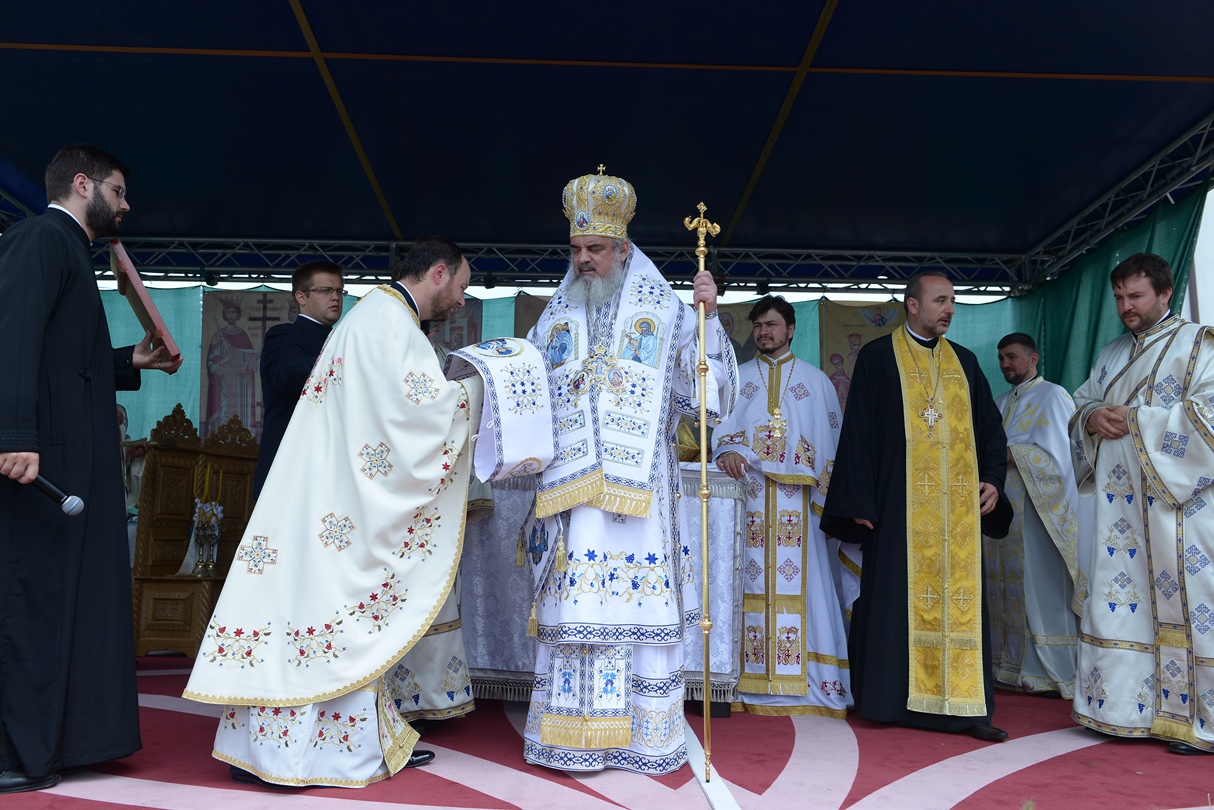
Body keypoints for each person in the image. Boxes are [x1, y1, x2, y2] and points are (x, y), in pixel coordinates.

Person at [185, 237, 501, 787]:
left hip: (328, 493)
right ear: (438, 272)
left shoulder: (377, 314)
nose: (461, 298)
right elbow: (421, 416)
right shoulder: (389, 322)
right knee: (333, 619)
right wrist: (482, 388)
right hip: (337, 505)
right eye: (462, 286)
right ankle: (297, 755)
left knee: (308, 615)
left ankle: (284, 748)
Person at [521, 168, 737, 774]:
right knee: (577, 614)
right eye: (576, 249)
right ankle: (571, 737)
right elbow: (529, 388)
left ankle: (643, 738)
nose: (583, 260)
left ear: (622, 248)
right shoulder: (554, 318)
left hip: (640, 499)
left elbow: (706, 400)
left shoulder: (664, 312)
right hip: (571, 498)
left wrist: (708, 318)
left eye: (594, 248)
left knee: (634, 611)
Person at [0, 144, 181, 794]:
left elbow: (66, 362)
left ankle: (67, 740)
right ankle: (17, 750)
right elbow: (12, 338)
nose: (126, 205)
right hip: (41, 457)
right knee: (35, 596)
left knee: (74, 594)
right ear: (83, 184)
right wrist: (15, 434)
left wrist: (130, 360)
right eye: (118, 190)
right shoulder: (40, 238)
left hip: (74, 452)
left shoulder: (71, 249)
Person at [820, 270, 1013, 742]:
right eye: (940, 300)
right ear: (912, 304)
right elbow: (858, 432)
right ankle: (891, 703)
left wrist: (992, 479)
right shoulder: (878, 357)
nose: (950, 309)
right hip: (897, 511)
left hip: (958, 519)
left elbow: (990, 429)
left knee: (960, 606)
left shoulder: (965, 362)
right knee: (895, 602)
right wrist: (859, 500)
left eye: (952, 301)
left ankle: (966, 709)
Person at [1069, 253, 1214, 756]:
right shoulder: (1112, 354)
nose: (1125, 306)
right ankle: (1120, 709)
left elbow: (1209, 415)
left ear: (1166, 293)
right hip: (1120, 514)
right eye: (1119, 297)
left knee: (1192, 604)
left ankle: (1192, 720)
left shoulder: (1198, 344)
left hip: (1180, 511)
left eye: (1136, 296)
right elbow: (1081, 402)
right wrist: (1091, 418)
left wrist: (1138, 419)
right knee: (1120, 600)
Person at [713, 295, 850, 716]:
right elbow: (720, 430)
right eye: (758, 326)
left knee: (807, 586)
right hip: (748, 504)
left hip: (801, 509)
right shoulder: (738, 378)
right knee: (745, 584)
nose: (763, 332)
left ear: (790, 329)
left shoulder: (816, 383)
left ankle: (811, 683)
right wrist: (727, 450)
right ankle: (741, 680)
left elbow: (831, 444)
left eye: (771, 325)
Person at [984, 333, 1084, 697]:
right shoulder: (999, 401)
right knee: (1003, 588)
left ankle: (1051, 671)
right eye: (1001, 358)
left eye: (1011, 356)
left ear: (1033, 358)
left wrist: (1012, 456)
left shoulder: (1053, 396)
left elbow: (1063, 457)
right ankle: (1008, 666)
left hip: (1038, 516)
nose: (1005, 364)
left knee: (1039, 589)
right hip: (1002, 512)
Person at [252, 261, 344, 498]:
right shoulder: (284, 334)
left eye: (339, 291)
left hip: (331, 469)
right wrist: (345, 358)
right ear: (301, 297)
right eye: (326, 290)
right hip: (290, 468)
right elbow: (287, 375)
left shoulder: (340, 339)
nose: (335, 297)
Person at [204, 296, 259, 436]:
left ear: (238, 314)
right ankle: (222, 438)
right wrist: (224, 360)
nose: (231, 315)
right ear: (224, 314)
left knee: (240, 413)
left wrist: (253, 357)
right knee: (224, 412)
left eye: (234, 312)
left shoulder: (243, 335)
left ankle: (242, 438)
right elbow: (210, 363)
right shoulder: (218, 335)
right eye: (228, 312)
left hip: (241, 384)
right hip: (224, 383)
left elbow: (251, 363)